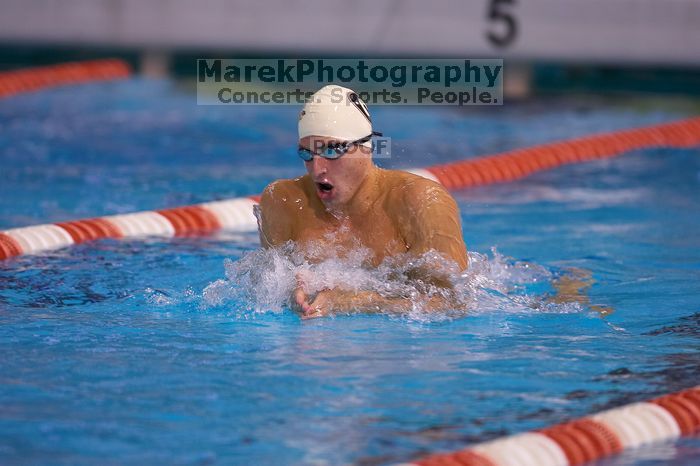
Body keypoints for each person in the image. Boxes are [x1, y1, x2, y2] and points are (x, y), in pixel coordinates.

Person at [256, 85, 468, 319]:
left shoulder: (420, 201)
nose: (317, 169)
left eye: (332, 150)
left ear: (365, 147)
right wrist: (290, 293)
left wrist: (353, 301)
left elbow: (453, 302)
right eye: (307, 154)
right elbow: (268, 288)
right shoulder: (284, 202)